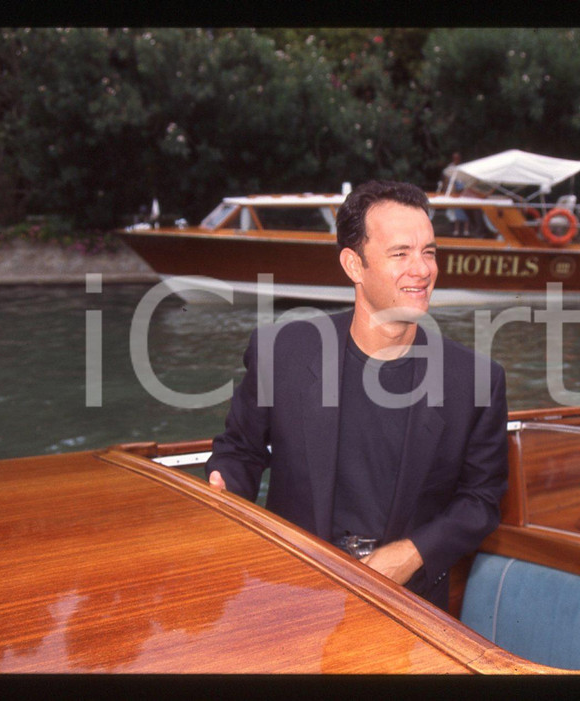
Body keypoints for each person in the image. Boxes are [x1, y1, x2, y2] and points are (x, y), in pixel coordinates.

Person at [205, 180, 509, 610]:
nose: (422, 270)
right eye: (400, 254)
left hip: (411, 607)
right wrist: (224, 490)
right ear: (353, 265)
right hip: (290, 593)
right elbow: (240, 451)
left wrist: (411, 554)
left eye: (429, 252)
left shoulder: (477, 380)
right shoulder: (282, 352)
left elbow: (481, 501)